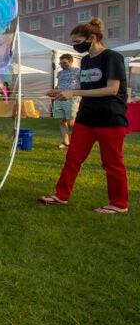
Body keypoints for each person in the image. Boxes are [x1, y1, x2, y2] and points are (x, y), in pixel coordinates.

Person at [38, 18, 129, 214]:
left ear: (92, 38)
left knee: (112, 162)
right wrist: (62, 91)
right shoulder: (86, 60)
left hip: (110, 119)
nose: (75, 46)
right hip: (87, 117)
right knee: (73, 157)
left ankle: (119, 204)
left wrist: (75, 93)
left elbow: (112, 89)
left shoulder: (112, 57)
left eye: (78, 42)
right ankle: (61, 195)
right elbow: (87, 86)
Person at [52, 54, 80, 149]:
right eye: (61, 63)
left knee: (71, 122)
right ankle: (66, 142)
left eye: (65, 63)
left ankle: (77, 142)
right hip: (59, 98)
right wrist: (54, 92)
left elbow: (82, 86)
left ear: (71, 61)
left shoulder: (78, 71)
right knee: (61, 121)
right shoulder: (60, 73)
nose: (63, 65)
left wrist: (73, 92)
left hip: (71, 99)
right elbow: (58, 85)